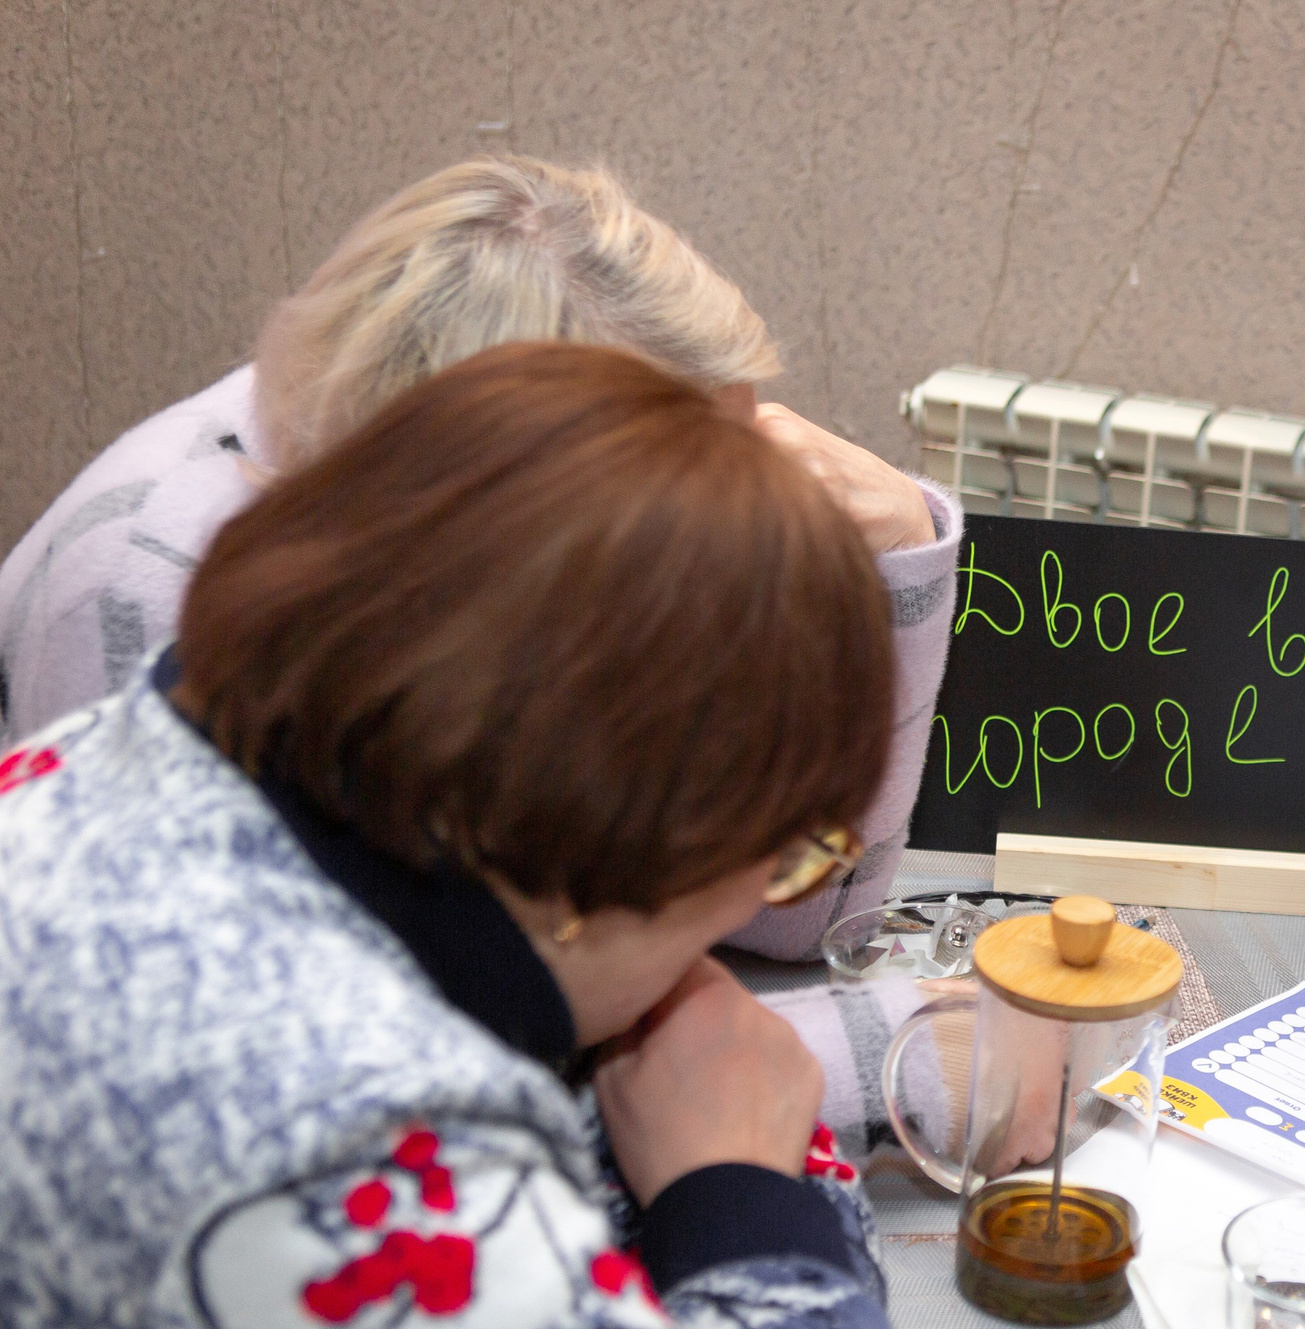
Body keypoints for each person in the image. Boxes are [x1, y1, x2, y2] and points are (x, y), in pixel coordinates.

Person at [0, 344, 967, 1329]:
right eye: (795, 849)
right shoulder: (329, 1134)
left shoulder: (110, 758)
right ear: (610, 853)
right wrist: (747, 1206)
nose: (777, 892)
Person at [0, 155, 956, 1137]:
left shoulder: (470, 578)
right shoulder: (152, 594)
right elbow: (391, 1101)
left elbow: (798, 914)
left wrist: (898, 561)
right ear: (492, 488)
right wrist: (893, 1063)